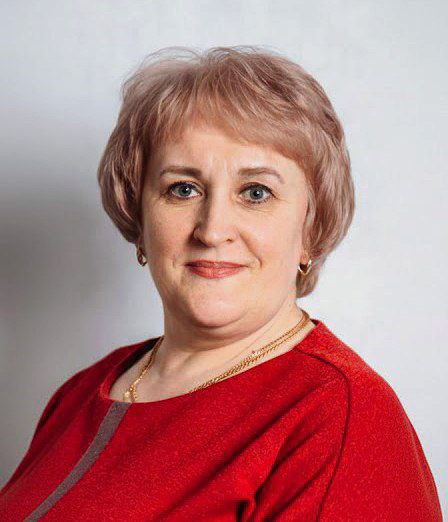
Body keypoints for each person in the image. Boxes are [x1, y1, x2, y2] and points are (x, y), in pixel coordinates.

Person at [0, 45, 442, 521]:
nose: (212, 230)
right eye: (183, 189)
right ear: (139, 216)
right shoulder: (80, 395)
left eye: (256, 192)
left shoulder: (339, 413)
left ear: (310, 230)